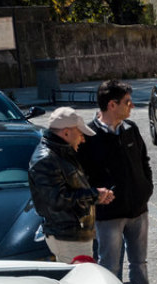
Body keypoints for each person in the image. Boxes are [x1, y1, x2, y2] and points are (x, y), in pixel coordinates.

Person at [76, 79, 157, 284]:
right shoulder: (88, 136)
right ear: (111, 104)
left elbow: (144, 161)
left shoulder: (130, 128)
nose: (132, 106)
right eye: (127, 102)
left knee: (139, 262)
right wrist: (96, 194)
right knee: (110, 266)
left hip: (138, 210)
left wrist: (145, 189)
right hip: (108, 215)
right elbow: (80, 176)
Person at [28, 107, 113, 263]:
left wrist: (96, 196)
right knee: (81, 283)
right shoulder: (46, 159)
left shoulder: (61, 154)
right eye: (80, 133)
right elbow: (58, 200)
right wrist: (94, 195)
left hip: (74, 234)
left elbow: (71, 190)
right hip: (68, 237)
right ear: (66, 133)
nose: (82, 139)